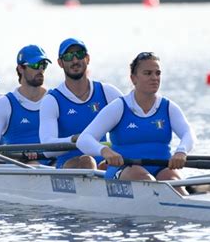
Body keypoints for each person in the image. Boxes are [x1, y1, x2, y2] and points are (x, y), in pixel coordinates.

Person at [76, 52, 196, 195]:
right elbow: (84, 139)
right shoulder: (119, 107)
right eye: (148, 73)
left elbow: (189, 133)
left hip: (161, 166)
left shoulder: (168, 107)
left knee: (177, 187)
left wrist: (181, 151)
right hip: (126, 167)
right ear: (133, 78)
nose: (154, 78)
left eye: (158, 73)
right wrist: (105, 151)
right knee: (146, 182)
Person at [39, 38, 123, 169]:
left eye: (79, 54)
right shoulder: (52, 100)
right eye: (68, 56)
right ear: (60, 63)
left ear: (88, 58)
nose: (75, 60)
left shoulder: (108, 92)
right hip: (69, 165)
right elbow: (48, 149)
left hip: (104, 164)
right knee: (87, 162)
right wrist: (75, 139)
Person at [0, 45, 50, 163]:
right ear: (20, 68)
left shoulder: (54, 99)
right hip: (19, 168)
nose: (40, 70)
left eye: (43, 65)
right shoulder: (4, 104)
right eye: (35, 65)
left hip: (53, 166)